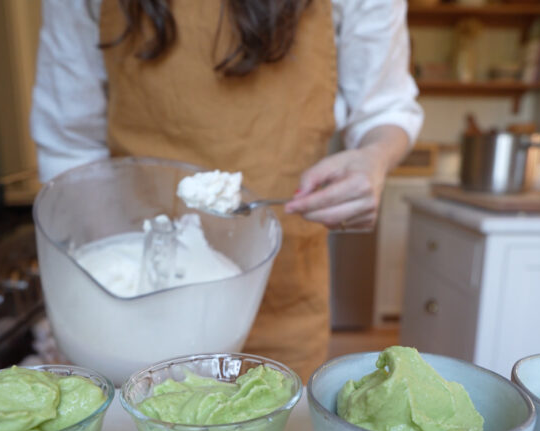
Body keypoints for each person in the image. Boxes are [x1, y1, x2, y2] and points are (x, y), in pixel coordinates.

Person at [31, 0, 423, 380]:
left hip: (283, 301)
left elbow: (385, 108)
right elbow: (70, 140)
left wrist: (374, 158)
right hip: (131, 302)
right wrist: (118, 289)